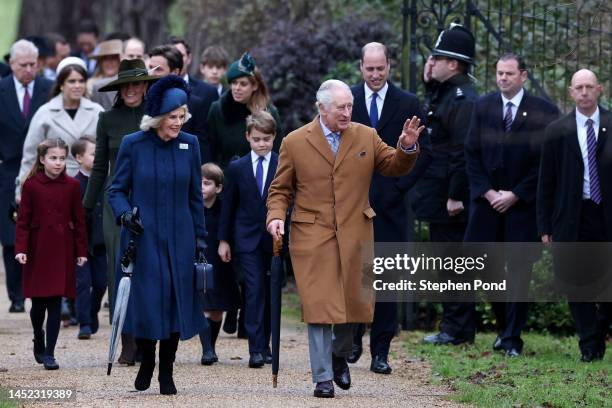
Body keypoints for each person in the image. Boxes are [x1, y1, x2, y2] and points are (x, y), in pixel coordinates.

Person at [266, 79, 422, 398]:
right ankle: (322, 377)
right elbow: (280, 189)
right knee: (319, 305)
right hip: (312, 234)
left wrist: (406, 147)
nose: (347, 112)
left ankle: (340, 355)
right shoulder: (295, 142)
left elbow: (393, 166)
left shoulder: (366, 135)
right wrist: (276, 217)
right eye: (341, 107)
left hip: (355, 231)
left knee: (353, 306)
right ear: (321, 108)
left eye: (350, 106)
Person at [108, 75, 207, 394]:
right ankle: (147, 359)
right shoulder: (133, 144)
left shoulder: (189, 144)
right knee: (150, 302)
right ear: (158, 118)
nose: (178, 122)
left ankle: (167, 369)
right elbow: (116, 190)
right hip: (144, 237)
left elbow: (195, 196)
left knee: (176, 302)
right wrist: (125, 215)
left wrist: (201, 238)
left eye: (182, 116)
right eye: (172, 117)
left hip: (180, 237)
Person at [464, 53, 559, 357]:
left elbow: (546, 162)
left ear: (523, 75)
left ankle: (512, 338)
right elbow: (471, 153)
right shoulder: (483, 106)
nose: (502, 78)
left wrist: (516, 193)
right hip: (487, 204)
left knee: (519, 270)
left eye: (509, 73)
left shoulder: (543, 111)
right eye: (499, 73)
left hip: (522, 206)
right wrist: (489, 193)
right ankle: (503, 327)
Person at [348, 42, 432, 374]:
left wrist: (398, 189)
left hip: (391, 204)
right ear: (361, 68)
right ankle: (352, 337)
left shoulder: (408, 103)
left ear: (389, 66)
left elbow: (424, 153)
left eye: (380, 68)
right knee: (354, 275)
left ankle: (380, 350)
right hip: (353, 203)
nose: (374, 74)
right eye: (369, 69)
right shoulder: (347, 101)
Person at [83, 58, 157, 364]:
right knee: (118, 270)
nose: (131, 89)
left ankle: (146, 338)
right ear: (119, 88)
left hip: (150, 198)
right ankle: (125, 340)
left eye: (137, 83)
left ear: (144, 86)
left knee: (148, 269)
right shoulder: (107, 119)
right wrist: (86, 207)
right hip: (116, 202)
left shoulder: (156, 117)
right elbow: (100, 167)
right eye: (126, 84)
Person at [537, 69, 612, 362]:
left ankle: (600, 326)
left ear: (599, 90)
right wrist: (544, 225)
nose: (584, 92)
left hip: (606, 215)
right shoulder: (557, 130)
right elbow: (547, 181)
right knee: (575, 282)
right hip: (572, 216)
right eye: (578, 87)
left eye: (589, 87)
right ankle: (589, 345)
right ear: (570, 92)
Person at [412, 24, 479, 346]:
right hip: (439, 191)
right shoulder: (450, 92)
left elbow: (460, 152)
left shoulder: (462, 98)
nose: (431, 62)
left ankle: (456, 329)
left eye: (436, 58)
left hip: (449, 196)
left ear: (452, 63)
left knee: (453, 263)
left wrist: (455, 195)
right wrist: (428, 80)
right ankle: (458, 327)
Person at [14, 138, 88, 370]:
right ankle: (39, 335)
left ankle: (50, 353)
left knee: (56, 301)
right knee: (38, 304)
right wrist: (21, 249)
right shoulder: (32, 185)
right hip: (38, 249)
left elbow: (79, 221)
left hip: (62, 249)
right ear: (43, 159)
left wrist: (81, 251)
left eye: (61, 158)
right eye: (53, 158)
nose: (57, 163)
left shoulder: (72, 186)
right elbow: (23, 221)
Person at [218, 110, 279, 368]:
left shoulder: (282, 163)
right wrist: (223, 239)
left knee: (271, 291)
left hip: (274, 238)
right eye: (256, 139)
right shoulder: (237, 167)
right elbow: (228, 206)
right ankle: (255, 348)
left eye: (266, 138)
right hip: (246, 239)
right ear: (247, 138)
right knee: (254, 291)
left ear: (274, 137)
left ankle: (266, 345)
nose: (262, 144)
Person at [0, 39, 53, 314]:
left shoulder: (47, 89)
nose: (29, 69)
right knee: (11, 235)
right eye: (24, 65)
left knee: (41, 231)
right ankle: (16, 294)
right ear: (12, 65)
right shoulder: (1, 89)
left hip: (41, 170)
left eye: (34, 64)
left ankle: (41, 289)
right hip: (7, 170)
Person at [16, 56, 104, 199]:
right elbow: (31, 156)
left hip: (92, 186)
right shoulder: (45, 113)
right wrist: (21, 190)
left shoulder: (97, 111)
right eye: (72, 81)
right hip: (54, 186)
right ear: (61, 84)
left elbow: (106, 151)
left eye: (81, 81)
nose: (77, 85)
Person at [208, 52, 282, 168]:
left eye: (243, 84)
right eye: (234, 83)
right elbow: (210, 152)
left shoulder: (269, 113)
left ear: (255, 86)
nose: (237, 88)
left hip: (258, 178)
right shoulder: (218, 110)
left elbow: (277, 154)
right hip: (226, 179)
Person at [198, 162, 240, 365]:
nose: (201, 188)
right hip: (199, 260)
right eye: (198, 183)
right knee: (203, 304)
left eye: (206, 183)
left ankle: (211, 346)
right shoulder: (192, 208)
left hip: (221, 262)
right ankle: (206, 349)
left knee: (216, 309)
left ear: (218, 187)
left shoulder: (224, 208)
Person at [148, 44, 213, 163]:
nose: (152, 74)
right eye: (150, 68)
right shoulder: (144, 100)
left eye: (158, 69)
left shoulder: (194, 104)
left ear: (175, 72)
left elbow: (202, 147)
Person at [71, 136, 107, 340]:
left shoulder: (105, 181)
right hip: (80, 244)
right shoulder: (74, 184)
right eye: (93, 154)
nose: (98, 157)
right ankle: (83, 322)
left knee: (101, 283)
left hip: (100, 242)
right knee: (82, 283)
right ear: (78, 157)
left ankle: (93, 311)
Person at [169, 36, 219, 103]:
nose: (177, 59)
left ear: (189, 58)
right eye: (173, 55)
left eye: (181, 55)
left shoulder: (208, 92)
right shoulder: (155, 90)